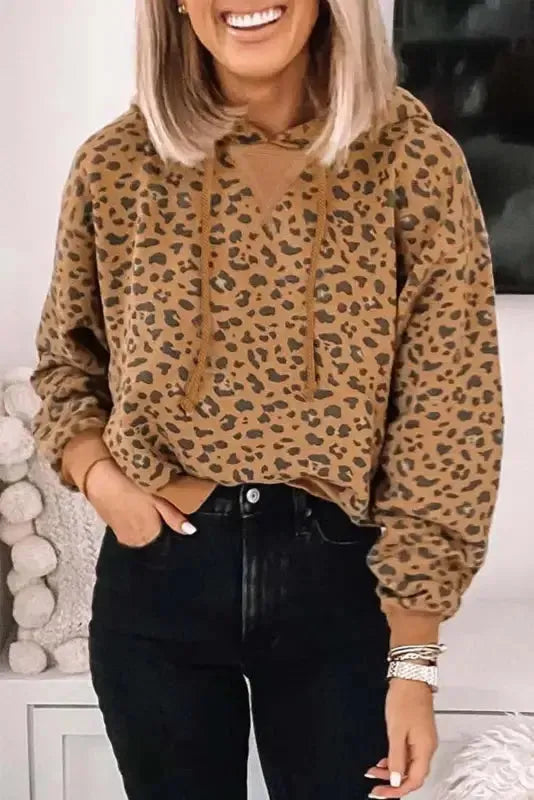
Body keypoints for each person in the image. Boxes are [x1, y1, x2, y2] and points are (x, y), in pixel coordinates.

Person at [30, 0, 504, 798]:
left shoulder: (413, 161)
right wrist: (102, 480)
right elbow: (65, 366)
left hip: (342, 586)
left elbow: (449, 411)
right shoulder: (116, 164)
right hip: (160, 581)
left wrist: (416, 658)